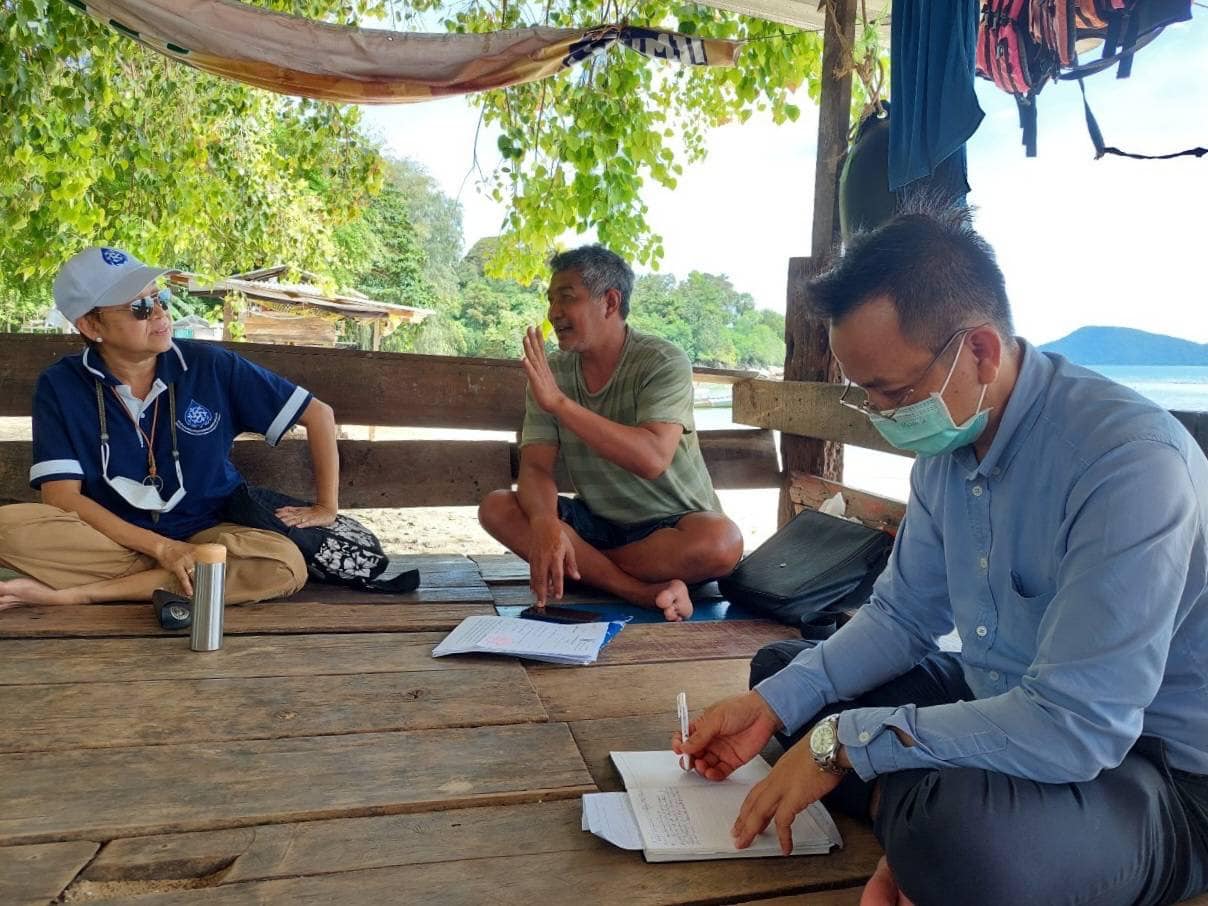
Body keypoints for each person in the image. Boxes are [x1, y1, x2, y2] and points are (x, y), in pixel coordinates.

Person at [674, 205, 1208, 905]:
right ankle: (916, 828)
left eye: (892, 393)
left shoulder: (1127, 465)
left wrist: (847, 743)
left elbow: (1079, 727)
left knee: (955, 830)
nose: (883, 418)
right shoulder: (949, 448)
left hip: (1153, 771)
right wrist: (772, 708)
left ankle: (922, 832)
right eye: (866, 396)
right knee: (782, 676)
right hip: (1005, 696)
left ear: (980, 351)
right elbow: (901, 617)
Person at [0, 246, 340, 610]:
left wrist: (326, 507)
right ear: (91, 326)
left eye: (160, 298)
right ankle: (177, 577)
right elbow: (62, 498)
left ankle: (81, 593)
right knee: (5, 530)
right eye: (140, 307)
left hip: (209, 533)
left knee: (283, 564)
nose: (160, 313)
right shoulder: (61, 384)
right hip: (113, 540)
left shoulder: (210, 366)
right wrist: (162, 549)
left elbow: (318, 414)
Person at [478, 245, 743, 622]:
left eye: (567, 297)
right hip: (599, 524)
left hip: (673, 527)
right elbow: (535, 468)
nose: (554, 312)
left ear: (610, 302)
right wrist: (545, 523)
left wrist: (560, 404)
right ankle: (638, 591)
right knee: (497, 507)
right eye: (550, 300)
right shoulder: (553, 372)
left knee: (722, 543)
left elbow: (652, 458)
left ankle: (585, 568)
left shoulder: (662, 361)